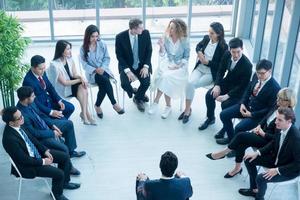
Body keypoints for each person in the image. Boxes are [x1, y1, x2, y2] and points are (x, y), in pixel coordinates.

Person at [206, 88, 296, 179]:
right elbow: (266, 117)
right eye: (277, 98)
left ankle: (224, 152)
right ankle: (237, 168)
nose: (277, 100)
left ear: (288, 102)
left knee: (241, 136)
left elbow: (278, 139)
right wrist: (259, 126)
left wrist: (263, 134)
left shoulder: (288, 118)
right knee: (242, 143)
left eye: (280, 99)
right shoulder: (277, 105)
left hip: (268, 142)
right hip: (262, 132)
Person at [1, 106, 81, 200]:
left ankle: (64, 183)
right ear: (11, 122)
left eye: (21, 115)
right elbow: (24, 159)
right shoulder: (9, 139)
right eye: (19, 118)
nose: (23, 118)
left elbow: (33, 140)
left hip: (35, 154)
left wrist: (45, 150)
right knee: (59, 173)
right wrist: (43, 161)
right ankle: (57, 195)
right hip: (28, 165)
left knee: (65, 156)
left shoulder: (19, 124)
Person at [239, 107, 300, 200]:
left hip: (287, 169)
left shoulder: (296, 138)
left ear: (289, 121)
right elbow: (273, 143)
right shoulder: (281, 127)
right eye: (276, 118)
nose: (276, 122)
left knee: (261, 178)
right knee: (248, 159)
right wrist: (257, 153)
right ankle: (254, 189)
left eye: (280, 120)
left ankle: (259, 198)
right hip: (276, 159)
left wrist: (277, 170)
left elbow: (298, 164)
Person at [215, 59, 281, 145]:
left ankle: (235, 147)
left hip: (257, 115)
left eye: (262, 73)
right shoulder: (256, 75)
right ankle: (232, 140)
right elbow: (247, 90)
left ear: (270, 71)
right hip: (246, 106)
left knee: (238, 127)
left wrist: (251, 114)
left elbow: (269, 109)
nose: (259, 76)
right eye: (258, 73)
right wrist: (242, 103)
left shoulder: (275, 88)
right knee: (223, 115)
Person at [17, 86, 85, 161]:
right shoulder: (21, 114)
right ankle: (68, 165)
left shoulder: (31, 103)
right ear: (26, 99)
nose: (35, 96)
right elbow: (34, 133)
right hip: (42, 136)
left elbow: (41, 115)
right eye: (33, 96)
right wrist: (52, 133)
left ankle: (71, 152)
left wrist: (52, 125)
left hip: (46, 125)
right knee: (64, 148)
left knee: (68, 124)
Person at [178, 22, 228, 124]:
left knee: (191, 85)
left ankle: (187, 111)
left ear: (219, 34)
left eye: (212, 33)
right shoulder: (206, 38)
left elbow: (221, 66)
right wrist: (199, 52)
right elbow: (198, 46)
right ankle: (187, 110)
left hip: (210, 72)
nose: (209, 34)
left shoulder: (224, 47)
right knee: (189, 83)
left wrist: (208, 62)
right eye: (209, 32)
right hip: (200, 68)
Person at [198, 37, 252, 130]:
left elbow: (243, 86)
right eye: (233, 52)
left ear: (242, 49)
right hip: (227, 82)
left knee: (225, 104)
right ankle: (210, 118)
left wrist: (227, 95)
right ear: (229, 50)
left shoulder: (247, 65)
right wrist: (217, 85)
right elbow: (220, 71)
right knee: (209, 95)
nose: (236, 55)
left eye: (238, 52)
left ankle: (225, 127)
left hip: (238, 90)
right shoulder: (226, 54)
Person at [148, 18, 190, 119]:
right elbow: (162, 55)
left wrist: (177, 66)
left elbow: (186, 57)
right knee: (164, 76)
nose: (169, 30)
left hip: (180, 67)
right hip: (168, 63)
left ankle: (156, 102)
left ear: (178, 30)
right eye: (169, 27)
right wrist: (161, 46)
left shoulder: (185, 40)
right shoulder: (166, 38)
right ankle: (168, 106)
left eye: (172, 28)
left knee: (165, 77)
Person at [48, 40, 96, 125]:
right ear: (61, 51)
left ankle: (85, 114)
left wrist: (81, 77)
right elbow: (64, 83)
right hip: (63, 89)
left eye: (70, 49)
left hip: (72, 85)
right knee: (82, 85)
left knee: (83, 87)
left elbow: (74, 74)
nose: (70, 51)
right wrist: (80, 80)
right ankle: (86, 114)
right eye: (68, 49)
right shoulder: (54, 65)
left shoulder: (70, 60)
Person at [80, 24, 124, 118]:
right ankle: (114, 103)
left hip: (104, 70)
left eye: (97, 36)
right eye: (92, 36)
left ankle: (97, 106)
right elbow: (84, 65)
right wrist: (96, 70)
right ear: (88, 36)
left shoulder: (102, 44)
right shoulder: (83, 48)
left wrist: (103, 67)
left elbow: (107, 58)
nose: (95, 38)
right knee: (105, 81)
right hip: (92, 73)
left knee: (103, 84)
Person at [115, 18, 152, 112]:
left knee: (146, 82)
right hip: (127, 65)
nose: (143, 29)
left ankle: (138, 98)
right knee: (124, 84)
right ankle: (135, 91)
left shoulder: (145, 33)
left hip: (141, 65)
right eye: (140, 28)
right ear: (134, 28)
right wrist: (127, 71)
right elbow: (119, 56)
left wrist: (146, 66)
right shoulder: (120, 37)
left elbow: (149, 50)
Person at [23, 55, 75, 119]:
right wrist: (51, 112)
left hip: (49, 100)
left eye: (44, 68)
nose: (43, 70)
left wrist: (58, 100)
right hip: (41, 107)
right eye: (40, 69)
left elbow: (50, 87)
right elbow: (34, 102)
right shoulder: (28, 81)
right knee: (65, 122)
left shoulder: (42, 72)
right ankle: (58, 123)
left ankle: (59, 123)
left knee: (70, 107)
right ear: (33, 68)